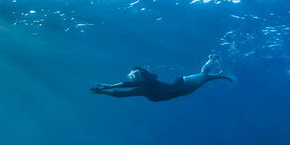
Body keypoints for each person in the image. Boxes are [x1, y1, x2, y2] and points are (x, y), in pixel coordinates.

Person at [90, 55, 232, 102]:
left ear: (142, 74)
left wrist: (108, 86)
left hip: (181, 84)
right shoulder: (142, 90)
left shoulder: (149, 82)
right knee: (204, 79)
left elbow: (124, 85)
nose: (135, 76)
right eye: (134, 75)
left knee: (203, 75)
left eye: (138, 73)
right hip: (183, 91)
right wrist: (103, 92)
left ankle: (212, 59)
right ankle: (220, 75)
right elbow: (122, 94)